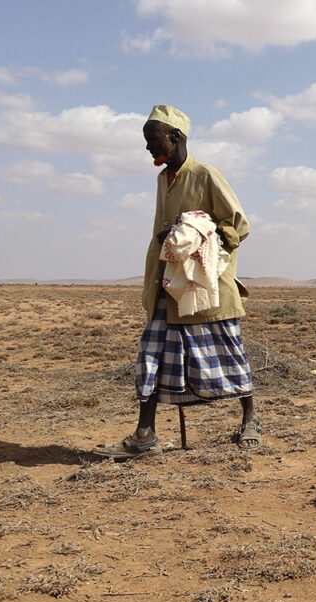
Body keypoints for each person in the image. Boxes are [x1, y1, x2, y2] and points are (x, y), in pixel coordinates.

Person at [95, 105, 260, 459]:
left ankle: (250, 420)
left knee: (228, 351)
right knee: (151, 356)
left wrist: (198, 233)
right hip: (165, 284)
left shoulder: (205, 174)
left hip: (204, 286)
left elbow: (238, 226)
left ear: (176, 137)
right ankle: (145, 435)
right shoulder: (161, 179)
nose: (149, 149)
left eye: (153, 141)